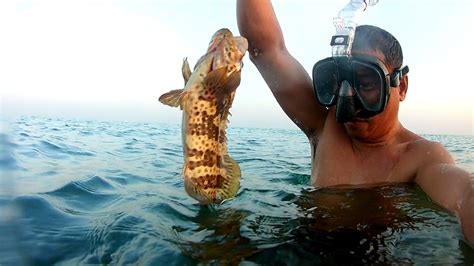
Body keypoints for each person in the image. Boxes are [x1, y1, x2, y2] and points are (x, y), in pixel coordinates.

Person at [236, 0, 473, 245]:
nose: (347, 102)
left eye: (367, 83)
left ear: (400, 86)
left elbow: (464, 193)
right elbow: (266, 49)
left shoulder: (422, 157)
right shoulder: (324, 125)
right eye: (339, 84)